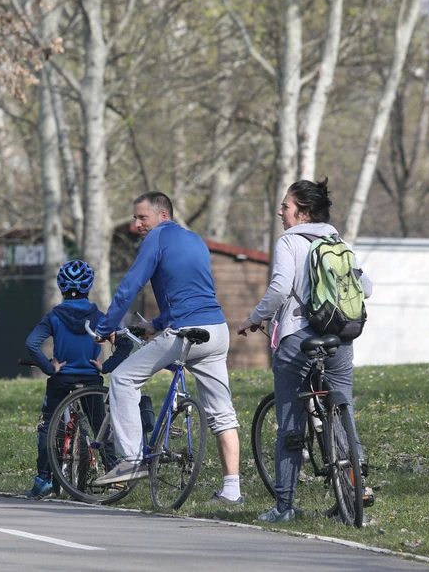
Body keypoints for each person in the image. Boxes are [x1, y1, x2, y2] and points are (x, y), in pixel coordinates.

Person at [91, 192, 245, 506]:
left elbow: (131, 284)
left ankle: (133, 460)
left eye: (141, 218)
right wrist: (156, 323)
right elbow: (192, 292)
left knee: (122, 379)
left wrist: (104, 328)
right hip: (216, 330)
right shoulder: (196, 240)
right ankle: (232, 491)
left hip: (185, 332)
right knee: (223, 414)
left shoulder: (157, 238)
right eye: (135, 218)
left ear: (162, 216)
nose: (135, 225)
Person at [237, 177, 373, 523]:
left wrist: (256, 317)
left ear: (303, 213)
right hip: (340, 337)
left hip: (299, 337)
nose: (280, 211)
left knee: (290, 424)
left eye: (286, 206)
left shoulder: (289, 241)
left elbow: (281, 286)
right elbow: (366, 287)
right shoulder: (336, 238)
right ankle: (357, 484)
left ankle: (283, 507)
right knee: (343, 405)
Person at [23, 259, 133, 499]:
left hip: (61, 379)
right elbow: (125, 345)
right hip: (91, 380)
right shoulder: (100, 318)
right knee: (99, 427)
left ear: (61, 288)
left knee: (47, 427)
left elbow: (32, 343)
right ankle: (115, 476)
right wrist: (106, 366)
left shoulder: (54, 317)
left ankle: (43, 480)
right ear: (89, 286)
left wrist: (49, 368)